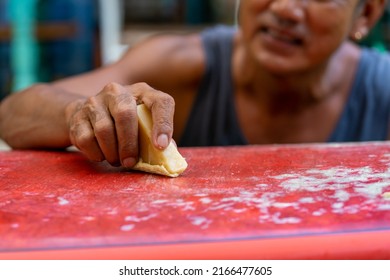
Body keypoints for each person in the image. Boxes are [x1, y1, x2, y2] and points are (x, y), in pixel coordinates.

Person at [0, 0, 389, 168]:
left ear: (366, 14)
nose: (286, 8)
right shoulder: (181, 65)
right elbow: (14, 111)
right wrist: (79, 113)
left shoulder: (381, 88)